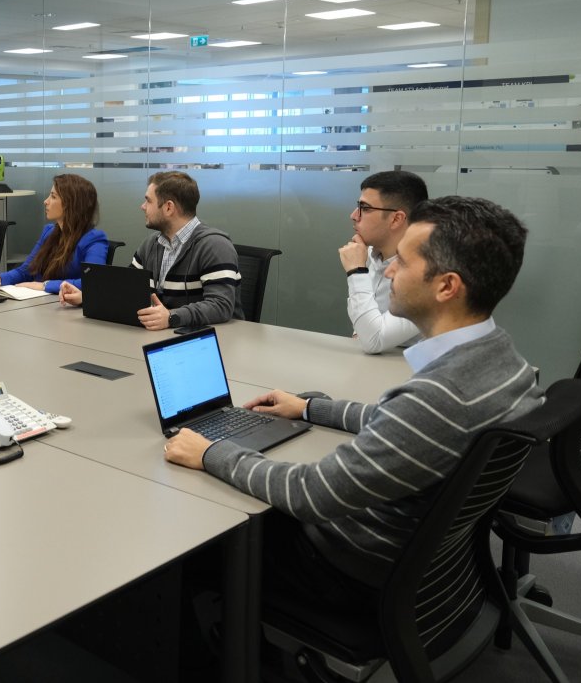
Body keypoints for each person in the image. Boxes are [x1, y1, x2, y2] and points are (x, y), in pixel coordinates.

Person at [165, 195, 541, 606]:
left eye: (403, 262)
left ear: (447, 286)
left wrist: (211, 452)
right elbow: (400, 420)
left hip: (347, 567)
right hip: (434, 568)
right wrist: (310, 408)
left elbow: (311, 492)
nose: (390, 270)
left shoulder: (435, 399)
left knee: (190, 542)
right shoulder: (508, 362)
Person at [57, 171, 242, 330]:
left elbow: (220, 305)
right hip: (165, 335)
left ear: (168, 207)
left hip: (211, 341)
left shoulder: (214, 245)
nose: (142, 206)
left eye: (148, 200)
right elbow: (125, 290)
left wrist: (171, 317)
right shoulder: (152, 244)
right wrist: (87, 297)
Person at [339, 170, 428, 353]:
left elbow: (374, 341)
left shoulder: (428, 271)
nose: (354, 215)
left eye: (365, 208)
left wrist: (357, 272)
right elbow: (362, 332)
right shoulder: (369, 254)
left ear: (396, 219)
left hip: (412, 367)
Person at [0, 173, 107, 294]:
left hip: (64, 304)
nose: (46, 201)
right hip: (40, 301)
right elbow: (26, 270)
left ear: (71, 204)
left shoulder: (94, 240)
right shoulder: (49, 231)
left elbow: (92, 281)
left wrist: (45, 285)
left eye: (53, 197)